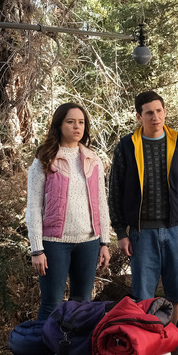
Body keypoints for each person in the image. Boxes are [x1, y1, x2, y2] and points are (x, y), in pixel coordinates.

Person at [108, 90, 178, 325]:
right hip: (142, 234)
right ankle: (150, 349)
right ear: (139, 116)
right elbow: (115, 192)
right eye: (149, 112)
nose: (155, 117)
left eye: (159, 111)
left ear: (164, 112)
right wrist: (121, 233)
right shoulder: (127, 146)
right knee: (143, 299)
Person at [26, 103, 111, 321]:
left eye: (81, 122)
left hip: (88, 242)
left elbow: (101, 202)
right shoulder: (44, 159)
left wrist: (104, 242)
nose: (77, 127)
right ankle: (44, 354)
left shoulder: (93, 159)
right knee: (51, 305)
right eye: (70, 121)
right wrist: (36, 250)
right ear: (59, 124)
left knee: (82, 304)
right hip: (54, 243)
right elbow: (34, 206)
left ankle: (72, 354)